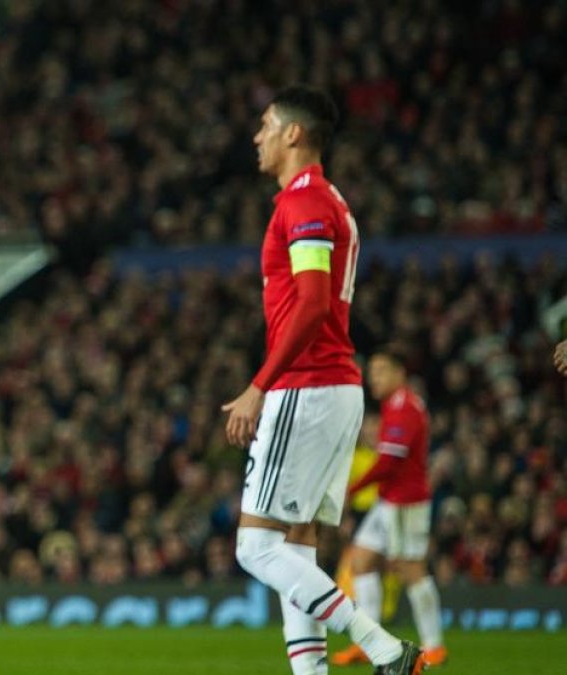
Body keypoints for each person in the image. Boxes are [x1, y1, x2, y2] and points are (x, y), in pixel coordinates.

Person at [222, 86, 424, 675]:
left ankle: (385, 648)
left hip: (307, 387)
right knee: (296, 546)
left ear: (293, 134)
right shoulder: (328, 201)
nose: (256, 137)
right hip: (333, 389)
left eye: (265, 126)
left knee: (255, 547)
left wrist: (261, 384)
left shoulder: (304, 204)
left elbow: (311, 304)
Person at [331, 348, 446, 667]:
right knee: (362, 561)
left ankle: (434, 645)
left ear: (400, 373)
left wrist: (352, 491)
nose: (374, 378)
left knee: (410, 569)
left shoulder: (405, 407)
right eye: (373, 371)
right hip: (389, 500)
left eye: (382, 371)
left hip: (406, 502)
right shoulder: (394, 406)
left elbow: (390, 462)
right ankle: (371, 643)